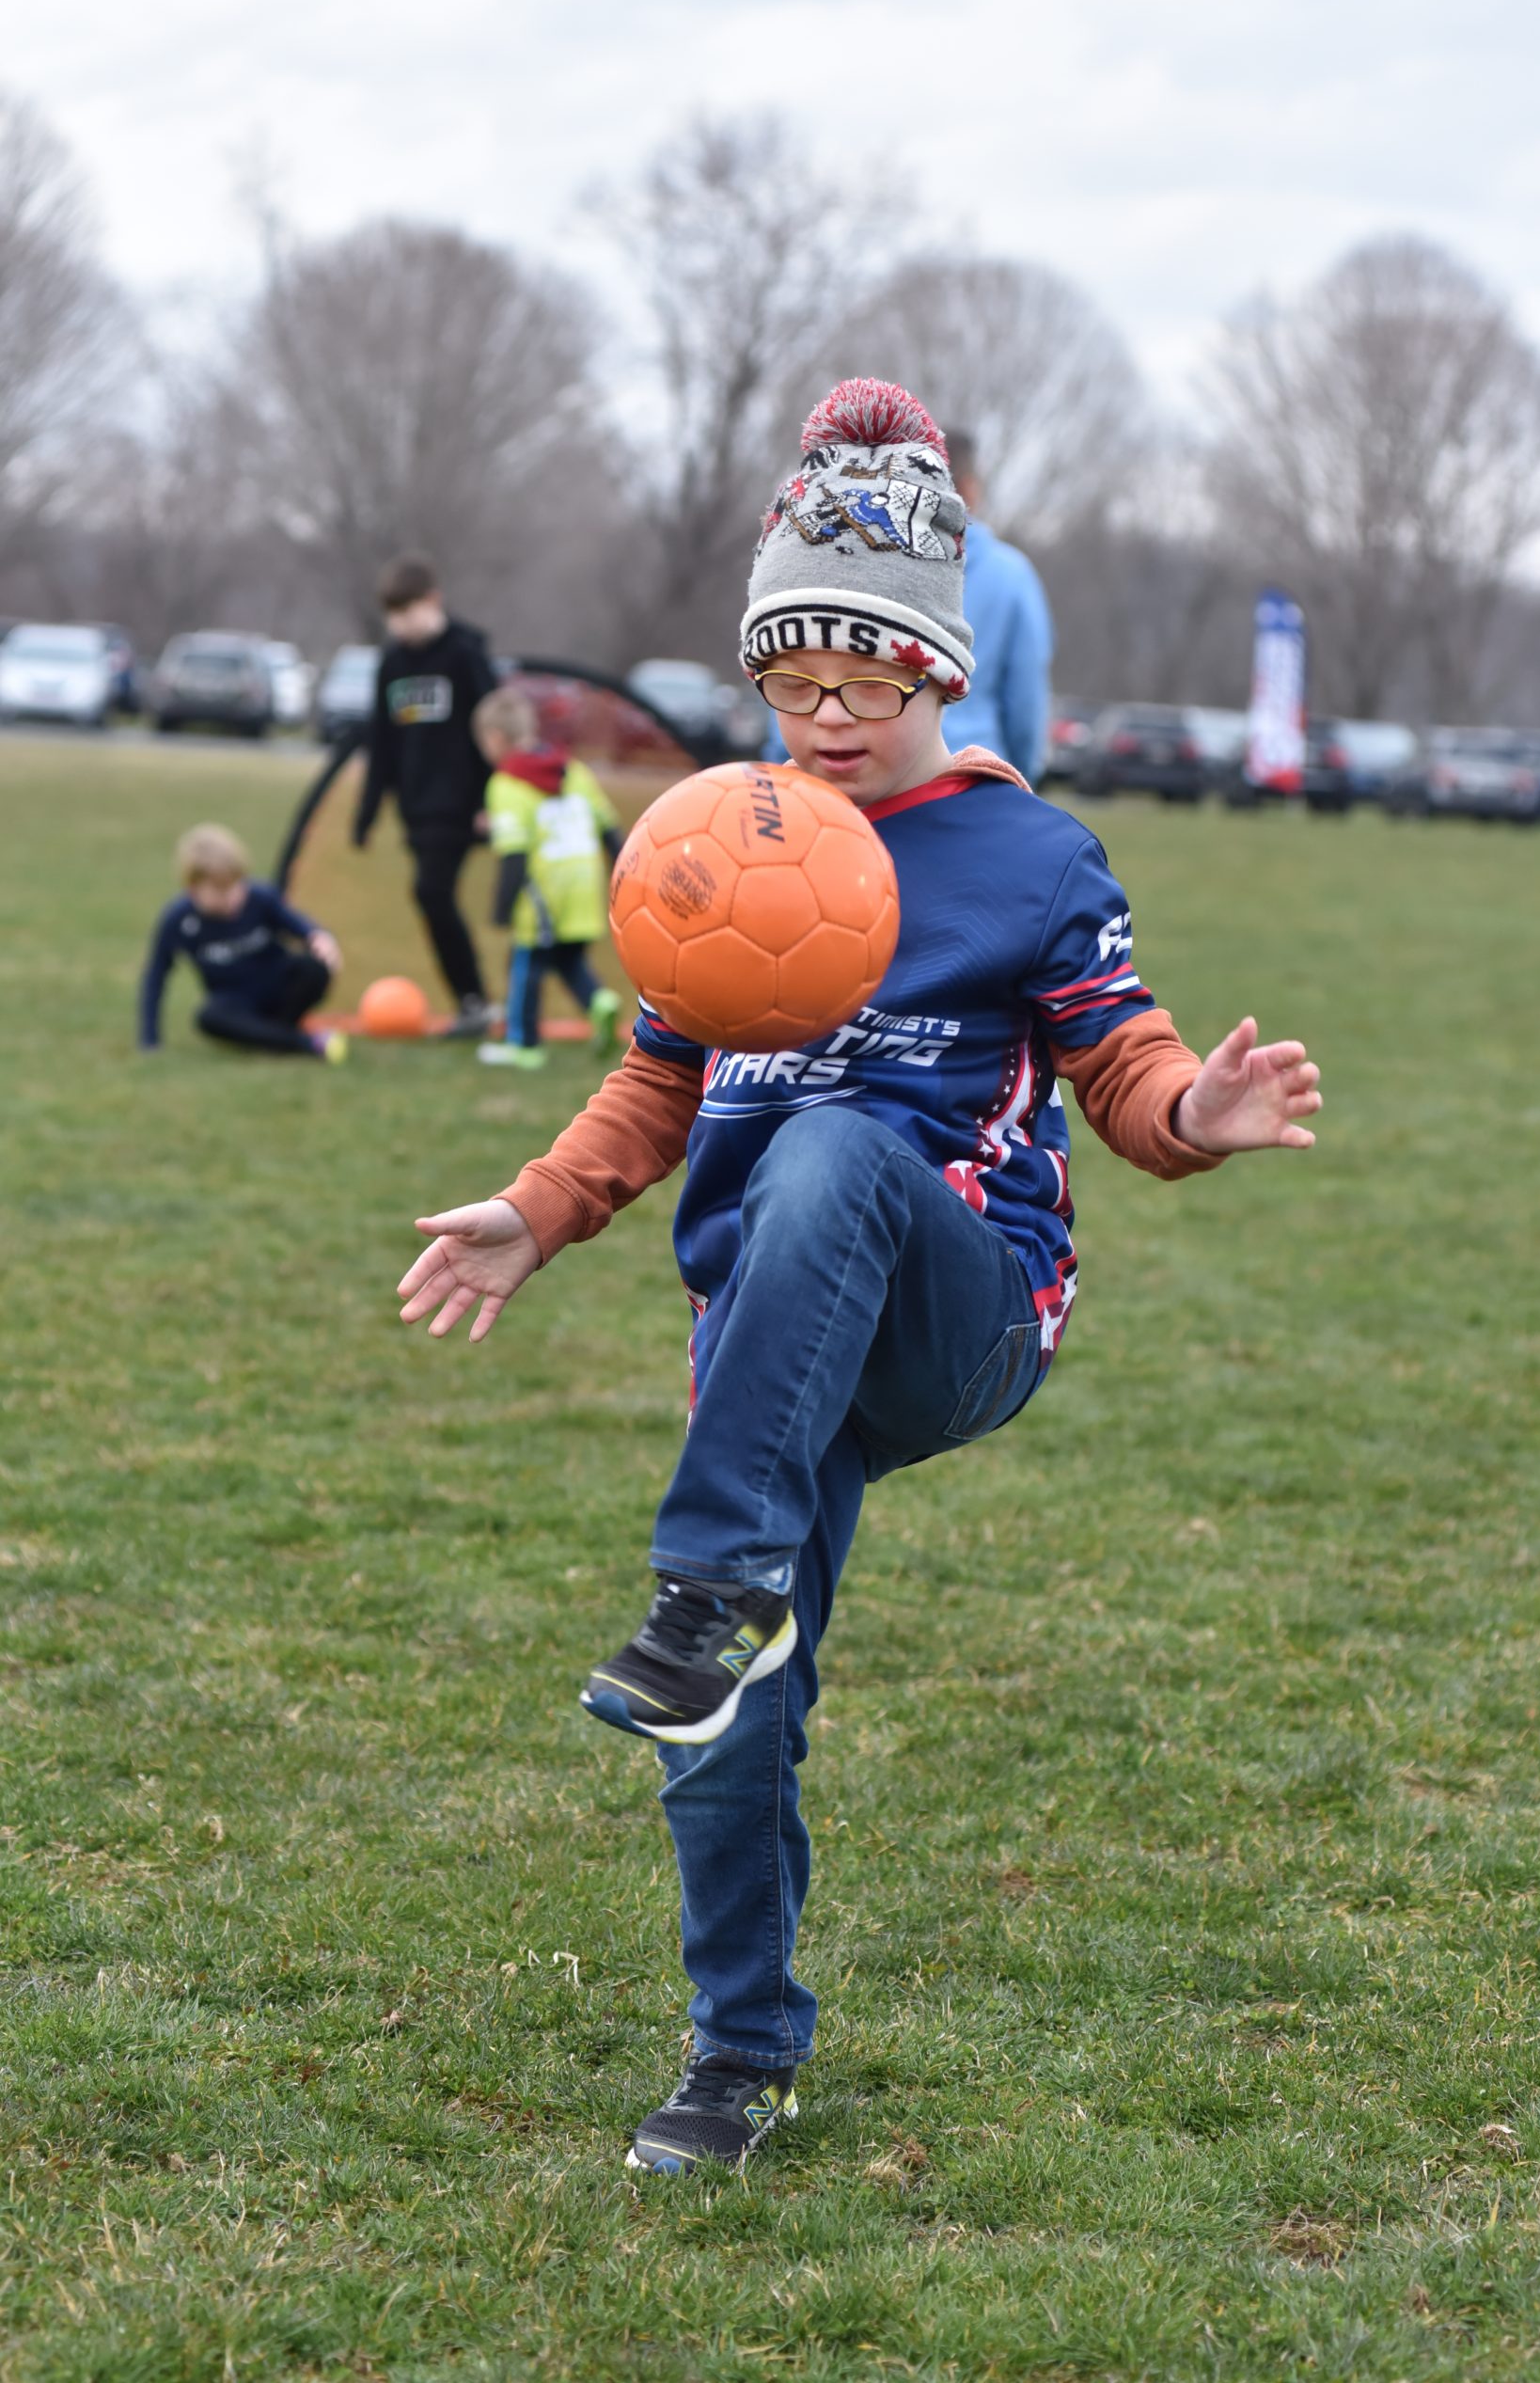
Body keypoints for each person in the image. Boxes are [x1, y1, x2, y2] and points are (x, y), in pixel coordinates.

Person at [394, 380, 1322, 2176]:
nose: (821, 722)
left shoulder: (1027, 853)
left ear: (933, 678)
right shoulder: (723, 836)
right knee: (725, 1718)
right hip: (768, 1337)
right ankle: (737, 2053)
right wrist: (540, 1205)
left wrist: (1192, 1106)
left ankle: (705, 1578)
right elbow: (663, 1072)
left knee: (835, 1146)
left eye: (861, 686)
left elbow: (1120, 1068)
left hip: (960, 1304)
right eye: (790, 685)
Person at [352, 552, 498, 1038]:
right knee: (432, 896)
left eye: (408, 611)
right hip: (415, 805)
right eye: (392, 615)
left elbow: (494, 729)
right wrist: (367, 813)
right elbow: (382, 742)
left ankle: (477, 1002)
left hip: (461, 803)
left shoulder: (465, 653)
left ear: (432, 602)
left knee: (431, 891)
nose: (400, 624)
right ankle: (474, 1002)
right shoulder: (391, 663)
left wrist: (490, 799)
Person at [468, 686, 624, 1070]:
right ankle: (598, 1002)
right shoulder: (573, 769)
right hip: (585, 883)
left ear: (495, 739)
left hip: (545, 890)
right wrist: (625, 871)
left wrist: (502, 907)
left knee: (526, 963)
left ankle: (523, 1045)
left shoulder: (506, 785)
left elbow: (515, 854)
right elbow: (609, 828)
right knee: (567, 958)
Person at [138, 823, 347, 1062]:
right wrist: (149, 1039)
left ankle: (272, 1036)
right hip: (236, 1001)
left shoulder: (260, 897)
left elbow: (302, 927)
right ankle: (302, 1042)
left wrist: (320, 937)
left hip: (277, 990)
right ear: (193, 888)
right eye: (220, 890)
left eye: (236, 885)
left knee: (313, 968)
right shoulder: (178, 919)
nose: (233, 897)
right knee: (209, 1018)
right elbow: (156, 975)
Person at [937, 428, 1055, 786]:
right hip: (978, 778)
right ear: (970, 488)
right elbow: (1025, 700)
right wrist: (1020, 779)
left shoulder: (871, 561)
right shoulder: (1011, 574)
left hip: (877, 788)